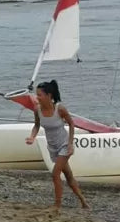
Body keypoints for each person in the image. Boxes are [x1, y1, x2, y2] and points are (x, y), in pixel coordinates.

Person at [25, 80, 89, 213]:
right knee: (69, 176)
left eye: (40, 95)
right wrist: (32, 137)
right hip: (53, 147)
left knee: (55, 174)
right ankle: (83, 201)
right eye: (36, 95)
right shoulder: (37, 110)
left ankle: (57, 205)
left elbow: (71, 124)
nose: (37, 98)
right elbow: (37, 125)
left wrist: (71, 144)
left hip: (65, 145)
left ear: (49, 95)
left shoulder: (59, 109)